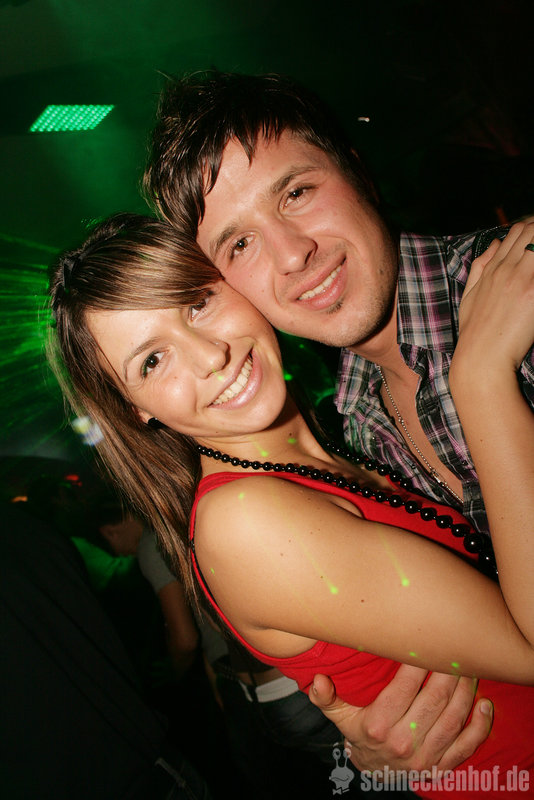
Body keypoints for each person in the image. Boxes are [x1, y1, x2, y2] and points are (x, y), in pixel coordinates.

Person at [47, 214, 534, 798]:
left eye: (197, 302)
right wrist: (481, 377)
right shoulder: (244, 523)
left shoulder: (339, 437)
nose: (210, 356)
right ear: (134, 410)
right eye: (152, 361)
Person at [141, 70, 534, 771]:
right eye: (239, 244)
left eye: (296, 192)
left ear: (357, 171)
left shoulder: (519, 288)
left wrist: (480, 383)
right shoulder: (353, 424)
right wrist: (372, 751)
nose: (292, 253)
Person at [1, 499, 213, 800]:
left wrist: (175, 676)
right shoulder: (29, 533)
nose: (121, 555)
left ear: (109, 531)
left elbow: (185, 639)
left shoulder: (149, 546)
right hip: (147, 760)